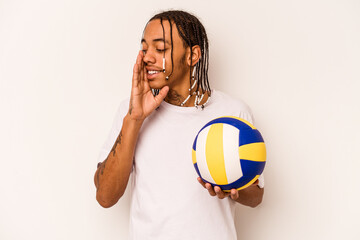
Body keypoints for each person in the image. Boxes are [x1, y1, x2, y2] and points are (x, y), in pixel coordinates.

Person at [94, 10, 264, 240]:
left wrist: (229, 187)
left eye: (160, 48)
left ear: (192, 55)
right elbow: (105, 196)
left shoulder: (233, 112)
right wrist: (134, 118)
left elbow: (255, 198)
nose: (147, 57)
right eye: (144, 48)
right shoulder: (131, 111)